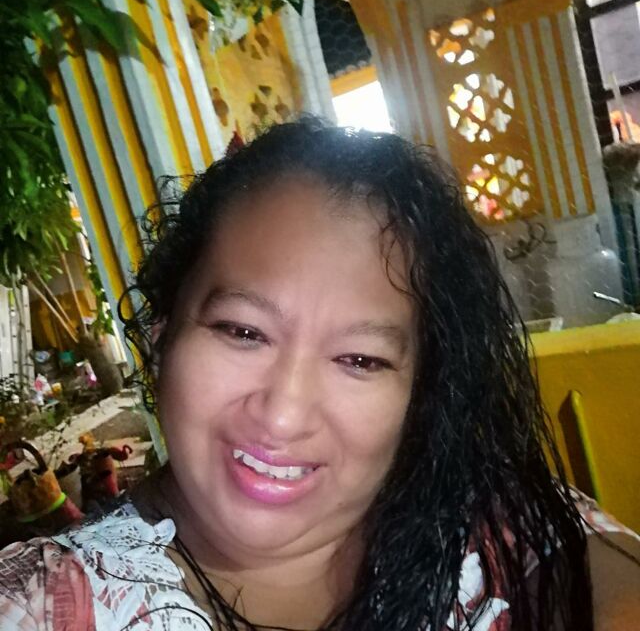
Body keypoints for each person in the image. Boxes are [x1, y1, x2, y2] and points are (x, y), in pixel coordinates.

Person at [0, 118, 638, 630]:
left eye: (360, 360)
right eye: (243, 332)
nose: (282, 416)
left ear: (419, 387)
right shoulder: (41, 606)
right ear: (163, 332)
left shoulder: (488, 520)